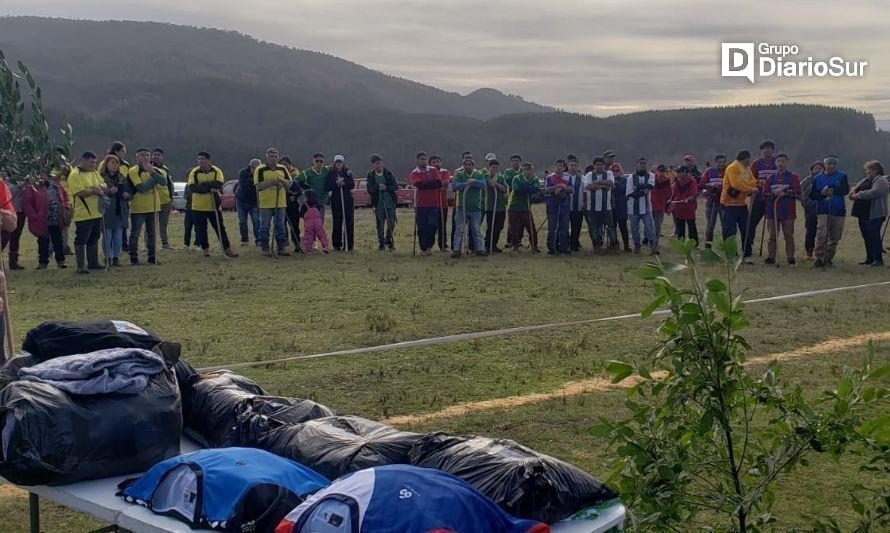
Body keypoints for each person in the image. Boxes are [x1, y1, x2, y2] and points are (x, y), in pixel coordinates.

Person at [187, 152, 238, 258]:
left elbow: (219, 183)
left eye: (202, 159)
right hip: (198, 206)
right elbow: (193, 187)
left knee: (220, 228)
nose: (200, 161)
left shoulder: (216, 170)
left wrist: (203, 185)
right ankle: (205, 249)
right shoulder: (194, 172)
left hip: (213, 205)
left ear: (208, 161)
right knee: (201, 229)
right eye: (199, 159)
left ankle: (227, 249)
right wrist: (208, 188)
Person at [67, 151, 107, 274]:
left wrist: (100, 188)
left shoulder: (94, 173)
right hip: (84, 214)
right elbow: (79, 192)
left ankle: (93, 263)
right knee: (81, 239)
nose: (93, 165)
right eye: (91, 162)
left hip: (97, 213)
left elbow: (104, 184)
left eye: (95, 162)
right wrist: (93, 191)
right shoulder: (75, 175)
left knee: (94, 238)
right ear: (83, 160)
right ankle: (80, 265)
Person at [127, 148, 168, 265]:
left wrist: (153, 174)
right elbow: (141, 188)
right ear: (137, 157)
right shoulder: (133, 171)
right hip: (139, 207)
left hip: (154, 206)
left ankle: (152, 257)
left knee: (152, 234)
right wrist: (153, 180)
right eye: (143, 155)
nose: (146, 157)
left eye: (147, 155)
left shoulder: (153, 169)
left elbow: (164, 182)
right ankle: (133, 258)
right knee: (135, 234)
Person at [22, 172, 69, 269]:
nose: (44, 175)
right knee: (43, 241)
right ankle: (42, 262)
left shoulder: (56, 185)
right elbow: (27, 203)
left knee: (58, 240)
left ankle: (61, 261)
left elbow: (64, 196)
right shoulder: (33, 187)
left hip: (56, 218)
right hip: (42, 219)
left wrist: (66, 207)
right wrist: (34, 216)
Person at [810, 156, 849, 268]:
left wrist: (834, 190)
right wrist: (822, 193)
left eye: (834, 163)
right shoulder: (817, 178)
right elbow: (813, 195)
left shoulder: (842, 176)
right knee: (822, 234)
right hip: (823, 210)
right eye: (829, 163)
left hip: (838, 210)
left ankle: (828, 258)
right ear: (824, 165)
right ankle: (819, 258)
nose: (831, 166)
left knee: (835, 236)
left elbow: (845, 190)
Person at [762, 153, 801, 265]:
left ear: (786, 163)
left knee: (788, 235)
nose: (781, 164)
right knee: (772, 235)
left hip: (788, 212)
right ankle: (771, 256)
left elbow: (798, 192)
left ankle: (790, 257)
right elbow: (765, 193)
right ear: (776, 163)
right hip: (772, 212)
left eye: (783, 161)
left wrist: (786, 193)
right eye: (779, 161)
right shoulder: (770, 178)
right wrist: (773, 194)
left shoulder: (793, 177)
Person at [253, 148, 292, 257]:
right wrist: (271, 183)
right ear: (266, 157)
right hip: (266, 203)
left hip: (280, 202)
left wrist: (282, 182)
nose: (273, 158)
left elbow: (289, 184)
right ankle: (265, 248)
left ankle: (281, 248)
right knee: (264, 226)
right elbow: (258, 186)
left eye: (275, 156)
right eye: (271, 156)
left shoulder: (283, 168)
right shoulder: (260, 169)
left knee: (280, 226)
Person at [849, 160, 888, 266]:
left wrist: (859, 195)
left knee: (874, 236)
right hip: (863, 213)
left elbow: (875, 192)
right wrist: (852, 194)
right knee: (866, 236)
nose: (867, 173)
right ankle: (870, 258)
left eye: (869, 171)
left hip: (875, 213)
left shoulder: (881, 181)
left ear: (875, 171)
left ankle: (878, 259)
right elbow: (854, 189)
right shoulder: (865, 180)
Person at [720, 150, 758, 256]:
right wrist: (750, 188)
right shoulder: (732, 168)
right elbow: (735, 184)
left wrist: (746, 185)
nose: (749, 161)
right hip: (729, 204)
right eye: (749, 159)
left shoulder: (747, 169)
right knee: (730, 231)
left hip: (742, 204)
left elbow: (753, 182)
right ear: (745, 158)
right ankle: (731, 254)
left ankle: (747, 254)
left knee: (746, 229)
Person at [746, 140, 777, 262]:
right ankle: (749, 245)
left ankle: (772, 251)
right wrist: (758, 182)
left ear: (772, 150)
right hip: (758, 197)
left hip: (772, 199)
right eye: (764, 148)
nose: (766, 150)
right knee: (751, 223)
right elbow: (750, 178)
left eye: (769, 148)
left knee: (772, 226)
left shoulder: (777, 162)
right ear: (761, 151)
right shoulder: (756, 163)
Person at [451, 156, 487, 258]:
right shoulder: (459, 174)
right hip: (462, 207)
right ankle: (457, 250)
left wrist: (474, 182)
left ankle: (479, 249)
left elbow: (483, 185)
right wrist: (466, 184)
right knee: (459, 230)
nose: (467, 166)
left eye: (469, 164)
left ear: (473, 165)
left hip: (475, 208)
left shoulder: (479, 174)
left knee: (476, 230)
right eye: (465, 164)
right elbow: (455, 186)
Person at [408, 152, 443, 255]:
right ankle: (423, 248)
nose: (424, 161)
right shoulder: (414, 173)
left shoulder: (433, 170)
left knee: (432, 226)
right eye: (422, 159)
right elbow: (419, 185)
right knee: (422, 227)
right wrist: (431, 184)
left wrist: (426, 185)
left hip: (434, 204)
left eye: (425, 159)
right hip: (421, 205)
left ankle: (429, 246)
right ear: (417, 160)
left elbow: (439, 183)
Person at [99, 154, 131, 266]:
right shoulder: (101, 177)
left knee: (118, 235)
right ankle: (108, 256)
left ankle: (116, 257)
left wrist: (127, 195)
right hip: (107, 210)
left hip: (120, 210)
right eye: (112, 163)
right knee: (107, 235)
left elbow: (129, 192)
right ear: (106, 164)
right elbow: (99, 191)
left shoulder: (122, 178)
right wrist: (108, 191)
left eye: (117, 163)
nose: (115, 165)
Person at [582, 157, 617, 254]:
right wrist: (604, 186)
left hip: (606, 207)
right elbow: (589, 186)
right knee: (594, 228)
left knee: (611, 227)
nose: (599, 166)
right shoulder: (589, 175)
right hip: (592, 208)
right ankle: (597, 246)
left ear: (604, 165)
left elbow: (611, 184)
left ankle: (613, 245)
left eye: (601, 164)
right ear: (594, 166)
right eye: (597, 164)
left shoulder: (609, 173)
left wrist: (597, 183)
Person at [506, 161, 540, 252]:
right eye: (526, 170)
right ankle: (515, 244)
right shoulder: (516, 178)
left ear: (532, 171)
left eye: (530, 170)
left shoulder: (535, 179)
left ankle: (534, 245)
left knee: (531, 227)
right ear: (523, 170)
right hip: (514, 206)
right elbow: (517, 190)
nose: (528, 172)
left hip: (526, 207)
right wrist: (528, 189)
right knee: (514, 228)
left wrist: (526, 188)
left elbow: (535, 189)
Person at [626, 157, 657, 255]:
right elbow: (629, 193)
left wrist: (638, 187)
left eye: (644, 163)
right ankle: (637, 246)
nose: (642, 165)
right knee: (635, 229)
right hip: (633, 208)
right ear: (637, 164)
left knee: (649, 227)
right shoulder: (631, 177)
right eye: (640, 163)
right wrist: (643, 191)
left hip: (646, 208)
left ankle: (653, 247)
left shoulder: (651, 175)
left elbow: (651, 186)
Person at [367, 154, 398, 251]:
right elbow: (370, 189)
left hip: (390, 203)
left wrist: (386, 187)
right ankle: (381, 243)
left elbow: (395, 186)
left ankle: (389, 240)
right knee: (380, 224)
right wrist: (377, 187)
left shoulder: (388, 173)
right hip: (379, 203)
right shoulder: (371, 175)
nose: (379, 165)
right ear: (373, 165)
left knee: (391, 223)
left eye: (380, 163)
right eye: (377, 163)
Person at [326, 154, 355, 252]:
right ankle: (337, 244)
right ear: (334, 163)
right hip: (336, 200)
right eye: (337, 162)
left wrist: (344, 183)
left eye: (340, 162)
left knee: (349, 222)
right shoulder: (331, 173)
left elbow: (352, 184)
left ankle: (349, 244)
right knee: (337, 222)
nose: (338, 164)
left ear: (343, 163)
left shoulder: (347, 172)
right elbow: (328, 185)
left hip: (347, 199)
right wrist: (336, 184)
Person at [545, 159, 572, 255]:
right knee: (552, 228)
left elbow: (571, 189)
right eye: (558, 165)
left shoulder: (568, 177)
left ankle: (563, 247)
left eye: (561, 165)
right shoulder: (549, 177)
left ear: (564, 167)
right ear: (554, 166)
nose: (559, 167)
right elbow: (547, 189)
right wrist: (557, 187)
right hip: (552, 206)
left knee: (564, 229)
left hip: (564, 207)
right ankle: (551, 247)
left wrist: (562, 186)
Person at [482, 158, 508, 253]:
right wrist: (495, 181)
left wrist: (497, 183)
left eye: (497, 168)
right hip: (490, 206)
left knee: (499, 226)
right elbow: (491, 184)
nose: (495, 169)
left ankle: (494, 244)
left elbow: (504, 188)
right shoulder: (485, 176)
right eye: (493, 168)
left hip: (500, 206)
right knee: (491, 226)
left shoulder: (502, 176)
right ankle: (487, 245)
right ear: (489, 167)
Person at [799, 161, 824, 260]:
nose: (817, 170)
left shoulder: (826, 179)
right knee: (810, 231)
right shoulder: (807, 181)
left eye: (820, 168)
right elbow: (799, 192)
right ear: (812, 170)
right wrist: (806, 203)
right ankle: (809, 252)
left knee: (823, 232)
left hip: (824, 210)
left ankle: (822, 253)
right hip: (810, 211)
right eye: (816, 168)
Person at [700, 155, 727, 249]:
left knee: (725, 226)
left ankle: (726, 247)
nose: (721, 164)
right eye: (719, 162)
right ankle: (708, 248)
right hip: (711, 202)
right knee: (710, 226)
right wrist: (711, 185)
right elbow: (702, 185)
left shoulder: (728, 171)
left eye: (723, 162)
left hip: (724, 203)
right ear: (715, 162)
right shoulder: (709, 171)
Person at [0, 177, 26, 270]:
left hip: (14, 214)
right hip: (7, 215)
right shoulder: (4, 182)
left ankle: (13, 261)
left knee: (15, 236)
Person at [150, 149, 174, 250]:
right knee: (151, 224)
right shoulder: (148, 168)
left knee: (163, 224)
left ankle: (165, 243)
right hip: (153, 200)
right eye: (155, 155)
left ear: (162, 157)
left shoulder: (165, 169)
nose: (156, 156)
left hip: (165, 200)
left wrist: (171, 196)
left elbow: (169, 183)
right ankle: (150, 245)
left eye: (159, 155)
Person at [669, 166, 699, 246]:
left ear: (685, 172)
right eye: (677, 172)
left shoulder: (692, 181)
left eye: (679, 172)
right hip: (679, 207)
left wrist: (688, 199)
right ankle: (680, 243)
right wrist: (671, 199)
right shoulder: (677, 181)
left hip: (689, 207)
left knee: (691, 226)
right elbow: (674, 192)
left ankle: (694, 243)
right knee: (680, 226)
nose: (677, 174)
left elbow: (694, 194)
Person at [297, 153, 329, 223]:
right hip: (311, 204)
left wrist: (348, 172)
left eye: (321, 161)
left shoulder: (326, 170)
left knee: (320, 225)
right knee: (311, 225)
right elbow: (295, 181)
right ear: (313, 161)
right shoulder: (306, 173)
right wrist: (305, 188)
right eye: (317, 161)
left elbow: (337, 168)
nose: (319, 163)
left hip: (321, 203)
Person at [236, 158, 261, 246]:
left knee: (256, 221)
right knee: (242, 221)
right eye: (254, 168)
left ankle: (259, 240)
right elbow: (243, 185)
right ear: (250, 167)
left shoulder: (261, 174)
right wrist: (253, 179)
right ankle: (244, 239)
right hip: (241, 200)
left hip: (254, 202)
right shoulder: (243, 173)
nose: (255, 170)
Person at [280, 156, 303, 253]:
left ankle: (297, 243)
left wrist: (294, 195)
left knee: (294, 225)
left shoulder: (295, 175)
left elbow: (298, 190)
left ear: (290, 165)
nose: (284, 167)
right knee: (281, 224)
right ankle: (283, 242)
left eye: (286, 164)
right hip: (281, 203)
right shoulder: (278, 175)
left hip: (292, 204)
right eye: (282, 165)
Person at [430, 155, 452, 252]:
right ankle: (429, 245)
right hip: (431, 204)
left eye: (438, 162)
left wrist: (435, 186)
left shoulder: (445, 172)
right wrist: (437, 186)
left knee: (442, 225)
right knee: (431, 225)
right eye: (434, 162)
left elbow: (446, 182)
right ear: (430, 163)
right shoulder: (428, 172)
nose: (436, 164)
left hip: (443, 204)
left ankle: (443, 245)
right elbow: (428, 184)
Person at [300, 190, 329, 254]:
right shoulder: (316, 204)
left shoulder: (305, 205)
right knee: (322, 234)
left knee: (309, 235)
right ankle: (325, 246)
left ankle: (309, 249)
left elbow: (301, 214)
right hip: (318, 222)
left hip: (308, 223)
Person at [565, 155, 585, 252]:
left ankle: (574, 244)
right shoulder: (564, 177)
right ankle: (565, 243)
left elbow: (585, 192)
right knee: (564, 227)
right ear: (568, 166)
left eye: (575, 165)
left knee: (576, 227)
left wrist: (584, 203)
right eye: (571, 165)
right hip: (566, 207)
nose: (573, 167)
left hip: (578, 207)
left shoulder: (582, 178)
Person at [503, 154, 523, 248]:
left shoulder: (524, 170)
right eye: (513, 161)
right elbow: (508, 180)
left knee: (522, 220)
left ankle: (519, 239)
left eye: (517, 161)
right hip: (512, 198)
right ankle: (510, 240)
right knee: (512, 220)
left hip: (522, 198)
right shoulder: (507, 171)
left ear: (520, 162)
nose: (515, 162)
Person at [610, 163, 631, 252]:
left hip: (621, 206)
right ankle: (614, 244)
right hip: (611, 207)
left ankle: (626, 245)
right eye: (613, 171)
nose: (615, 172)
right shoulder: (608, 180)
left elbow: (624, 189)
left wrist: (616, 183)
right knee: (612, 227)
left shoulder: (624, 180)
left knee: (623, 227)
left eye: (617, 170)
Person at [650, 163, 671, 243]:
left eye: (663, 171)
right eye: (660, 171)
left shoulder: (667, 180)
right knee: (649, 223)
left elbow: (669, 192)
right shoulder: (652, 178)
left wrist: (667, 203)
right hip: (652, 204)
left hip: (661, 205)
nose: (662, 173)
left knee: (658, 224)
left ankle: (656, 239)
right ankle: (648, 237)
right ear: (657, 171)